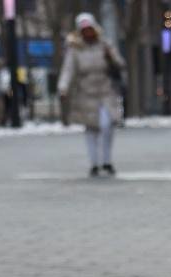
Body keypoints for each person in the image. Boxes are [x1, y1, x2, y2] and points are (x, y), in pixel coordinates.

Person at [58, 12, 125, 176]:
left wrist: (111, 57)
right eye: (84, 29)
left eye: (90, 28)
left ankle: (107, 160)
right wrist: (63, 87)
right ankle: (95, 163)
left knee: (106, 125)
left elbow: (120, 64)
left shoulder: (105, 45)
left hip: (105, 91)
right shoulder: (75, 49)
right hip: (85, 93)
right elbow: (68, 69)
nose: (88, 32)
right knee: (91, 129)